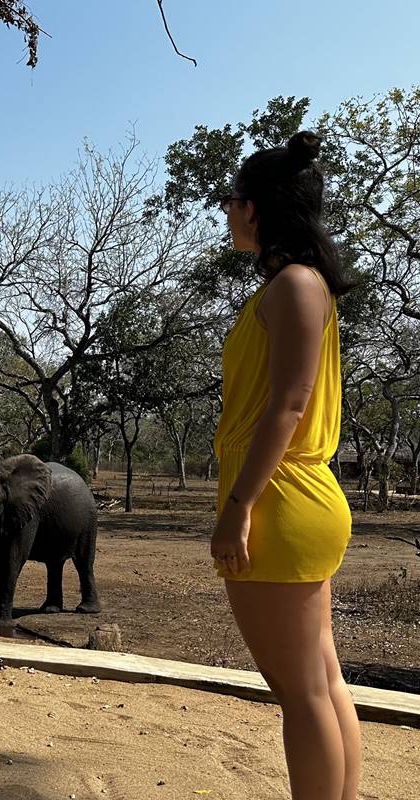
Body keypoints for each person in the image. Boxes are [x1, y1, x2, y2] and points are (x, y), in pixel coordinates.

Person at [211, 130, 361, 800]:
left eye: (230, 199)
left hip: (280, 501)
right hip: (294, 498)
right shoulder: (289, 286)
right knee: (322, 683)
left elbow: (290, 405)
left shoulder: (296, 285)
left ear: (254, 208)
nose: (225, 211)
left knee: (301, 696)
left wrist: (239, 506)